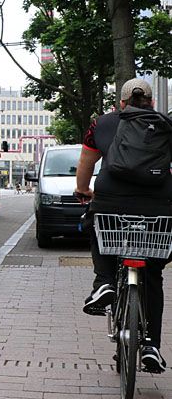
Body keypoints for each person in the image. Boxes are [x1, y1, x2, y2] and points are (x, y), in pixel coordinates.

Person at [77, 78, 172, 373]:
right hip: (158, 204)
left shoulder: (102, 124)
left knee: (96, 225)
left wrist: (83, 190)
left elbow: (87, 162)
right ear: (152, 102)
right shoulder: (166, 124)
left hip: (110, 200)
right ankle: (151, 345)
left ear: (121, 103)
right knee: (153, 274)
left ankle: (104, 282)